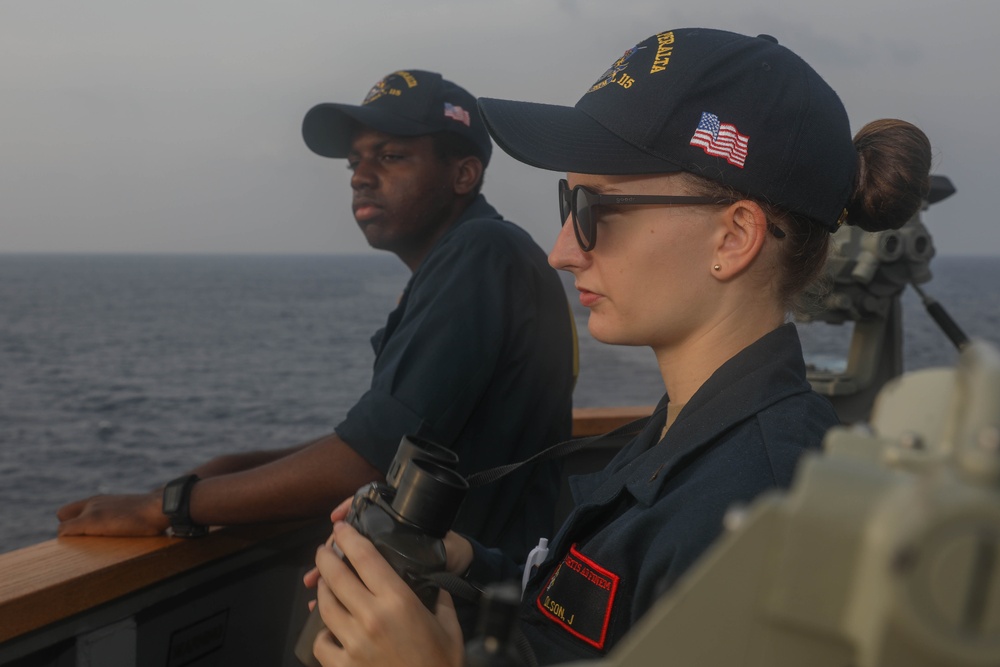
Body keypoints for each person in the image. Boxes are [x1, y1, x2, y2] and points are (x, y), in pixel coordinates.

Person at [306, 29, 933, 666]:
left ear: (734, 238)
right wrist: (468, 566)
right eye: (567, 200)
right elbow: (592, 619)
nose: (562, 251)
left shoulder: (755, 514)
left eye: (593, 207)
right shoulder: (684, 438)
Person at [56, 70, 576, 561]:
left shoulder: (482, 253)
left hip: (486, 595)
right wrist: (237, 468)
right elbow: (393, 436)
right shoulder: (476, 258)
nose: (361, 178)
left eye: (390, 156)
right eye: (355, 162)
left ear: (463, 174)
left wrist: (168, 504)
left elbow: (371, 460)